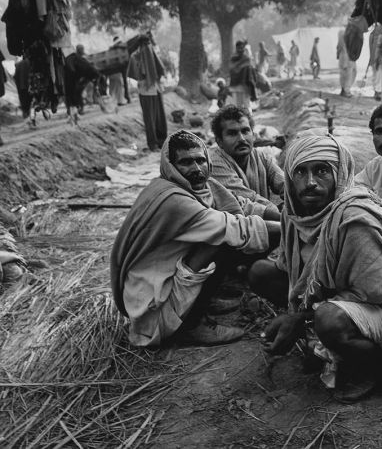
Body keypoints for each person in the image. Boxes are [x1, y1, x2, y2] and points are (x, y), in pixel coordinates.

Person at [247, 134, 382, 402]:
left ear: (340, 174)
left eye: (322, 170)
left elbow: (375, 294)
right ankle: (323, 339)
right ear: (289, 177)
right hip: (333, 298)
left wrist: (300, 319)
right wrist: (297, 313)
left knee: (329, 319)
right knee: (261, 272)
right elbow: (294, 273)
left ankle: (372, 367)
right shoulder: (296, 213)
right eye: (300, 171)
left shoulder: (355, 218)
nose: (310, 182)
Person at [110, 130, 281, 348]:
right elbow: (236, 227)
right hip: (153, 307)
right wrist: (288, 229)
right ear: (171, 166)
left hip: (166, 280)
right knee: (221, 241)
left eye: (200, 160)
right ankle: (190, 325)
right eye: (186, 162)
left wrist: (284, 216)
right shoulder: (173, 199)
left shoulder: (199, 186)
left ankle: (202, 302)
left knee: (223, 238)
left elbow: (243, 205)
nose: (196, 169)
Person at [209, 105, 284, 218]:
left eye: (245, 131)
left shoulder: (261, 157)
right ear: (219, 141)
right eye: (232, 133)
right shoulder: (214, 162)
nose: (242, 139)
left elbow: (285, 184)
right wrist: (281, 214)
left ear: (253, 134)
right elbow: (247, 198)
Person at [127, 35, 167, 151]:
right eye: (146, 44)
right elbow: (135, 74)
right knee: (150, 118)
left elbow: (159, 69)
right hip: (145, 91)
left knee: (159, 117)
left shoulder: (151, 53)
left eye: (148, 44)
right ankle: (153, 144)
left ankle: (162, 141)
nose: (148, 46)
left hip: (156, 89)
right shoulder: (136, 57)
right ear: (141, 44)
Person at [228, 40, 258, 113]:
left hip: (245, 85)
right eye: (239, 48)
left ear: (244, 48)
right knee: (238, 106)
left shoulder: (246, 59)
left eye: (242, 48)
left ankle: (249, 122)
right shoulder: (233, 59)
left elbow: (250, 73)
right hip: (236, 86)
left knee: (246, 105)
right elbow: (231, 71)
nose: (240, 50)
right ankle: (241, 122)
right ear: (236, 48)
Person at [337, 29, 356, 98]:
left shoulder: (341, 35)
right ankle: (346, 91)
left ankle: (344, 90)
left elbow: (338, 47)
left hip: (344, 57)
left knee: (344, 74)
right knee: (348, 74)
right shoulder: (345, 35)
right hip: (348, 58)